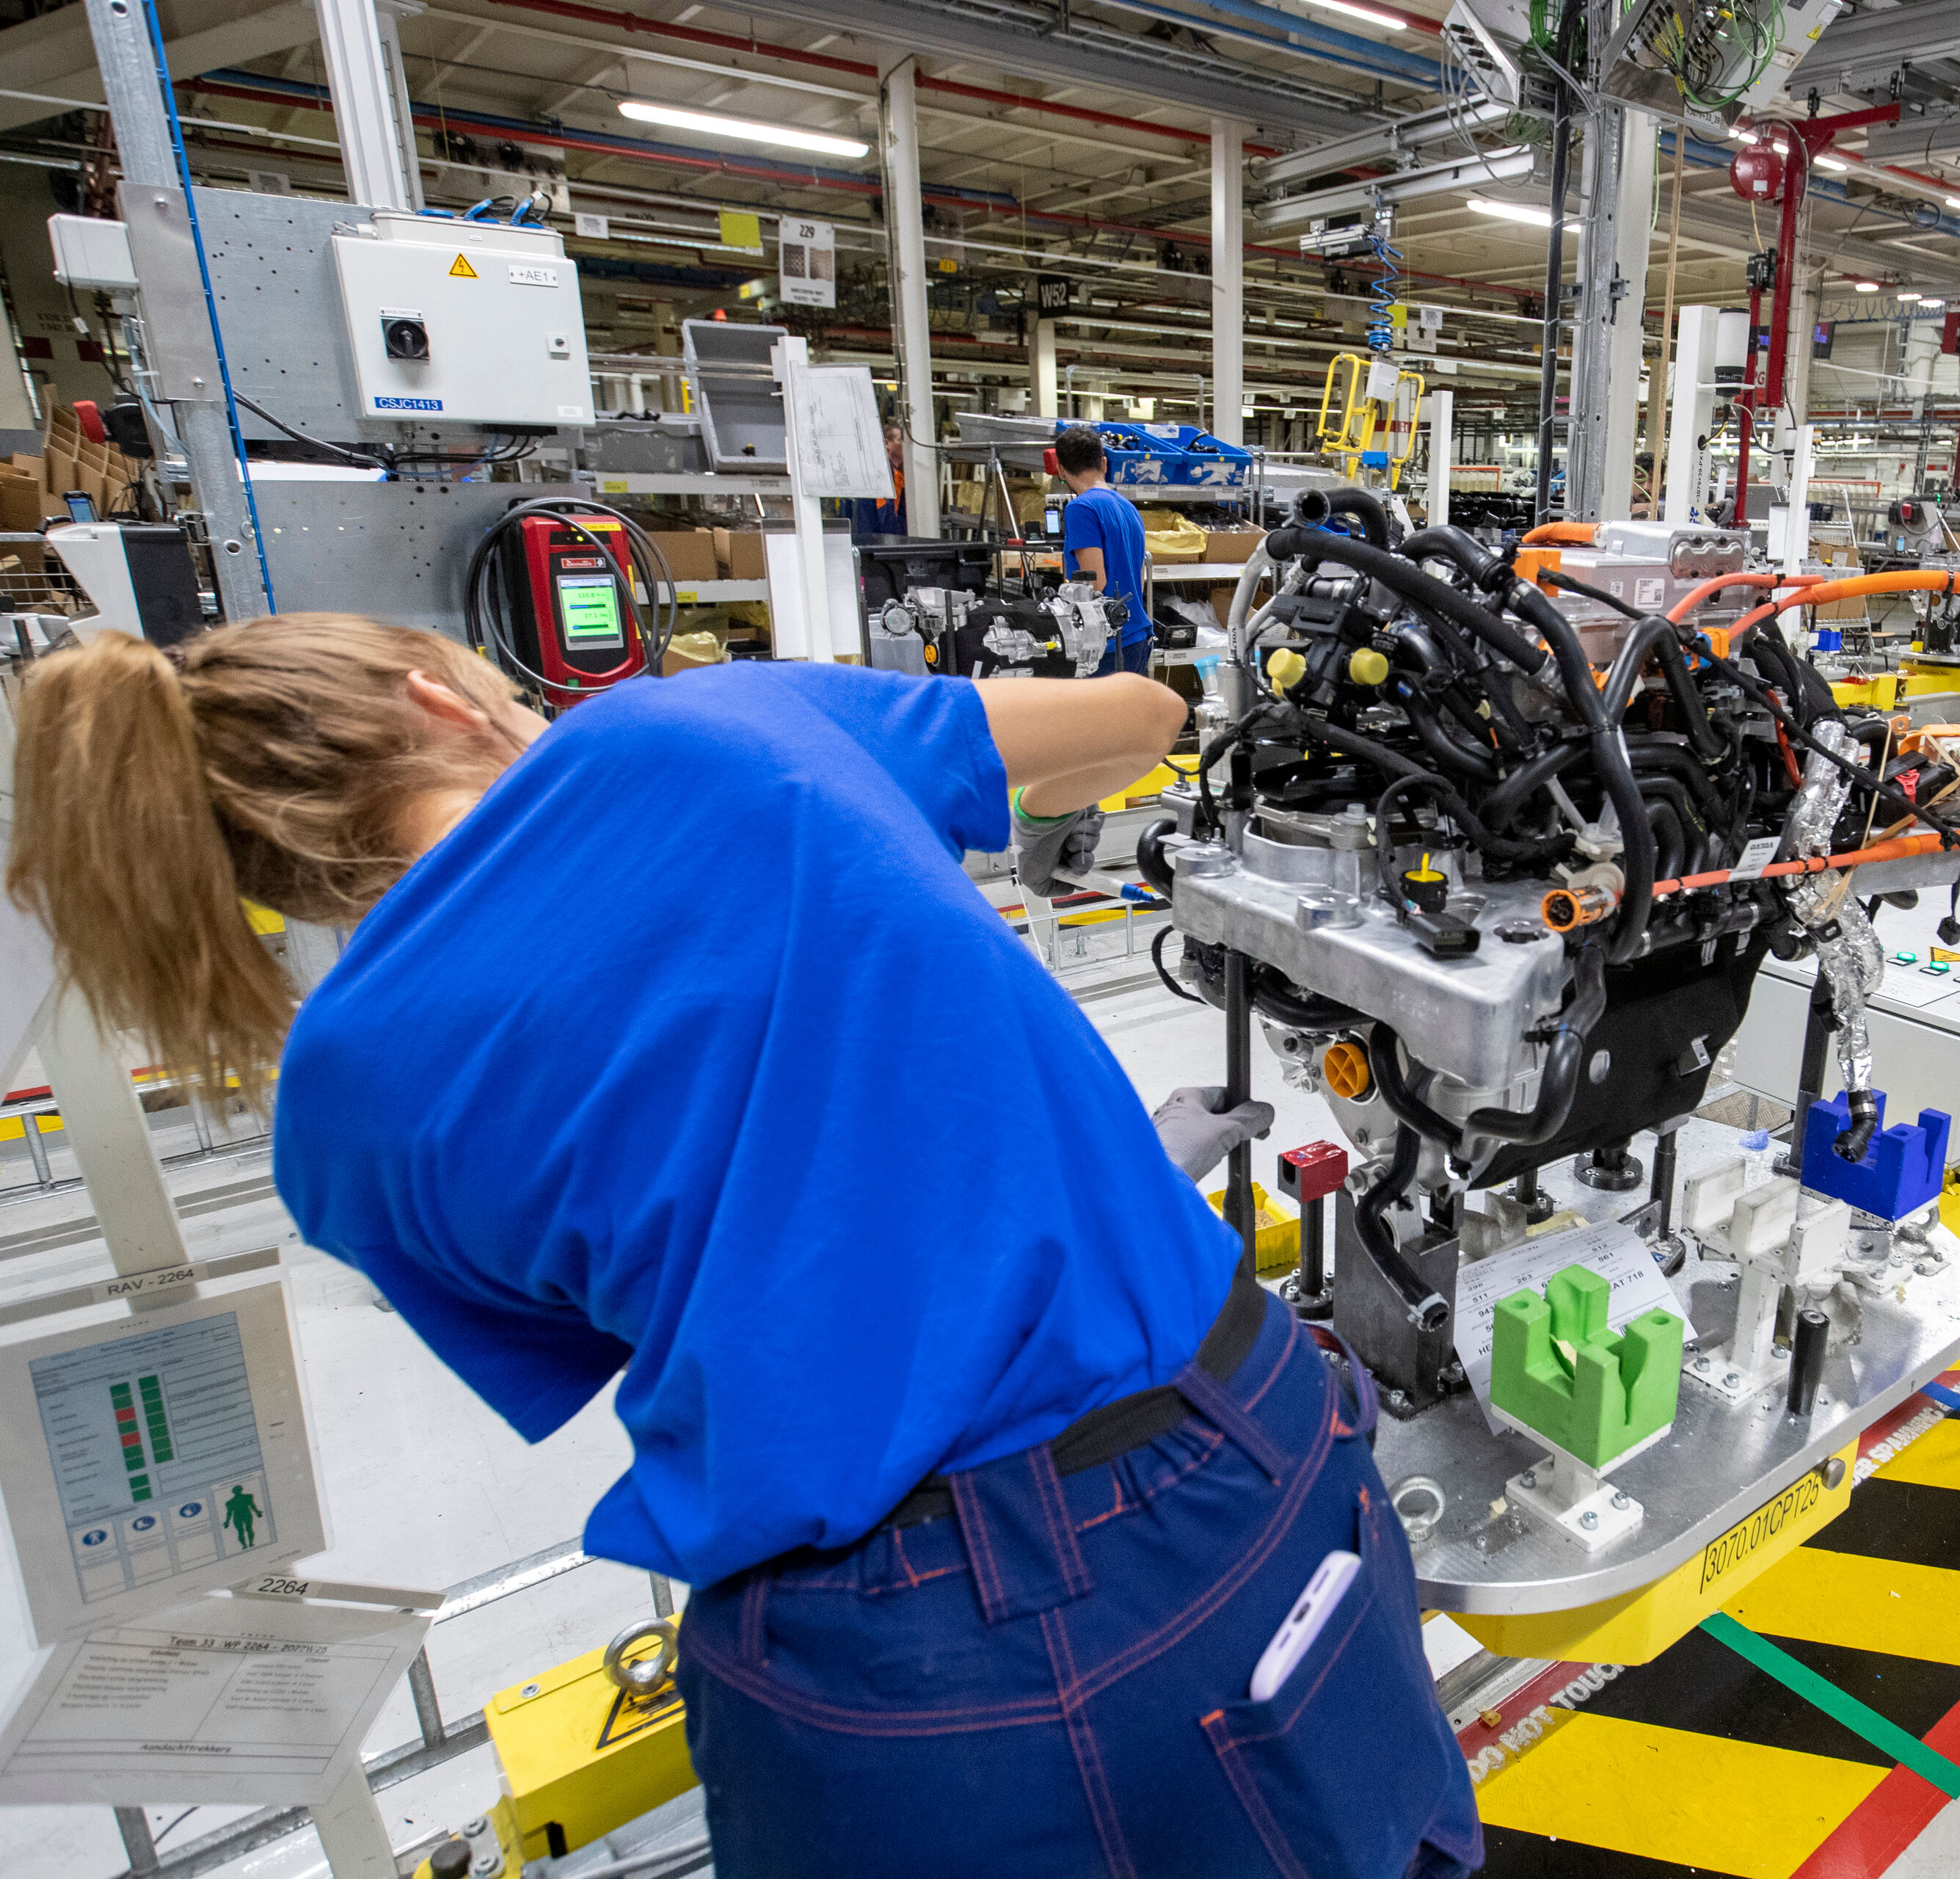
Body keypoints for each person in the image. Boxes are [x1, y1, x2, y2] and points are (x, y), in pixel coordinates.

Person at [7, 616, 1481, 1879]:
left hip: (862, 1669)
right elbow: (1140, 720)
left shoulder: (333, 1113)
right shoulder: (701, 728)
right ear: (436, 698)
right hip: (1214, 1485)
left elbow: (700, 1291)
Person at [1052, 425, 1154, 677]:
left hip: (1105, 647)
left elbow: (1094, 584)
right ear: (1104, 464)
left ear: (1060, 470)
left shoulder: (1081, 508)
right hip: (1137, 636)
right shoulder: (1128, 507)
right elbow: (1138, 581)